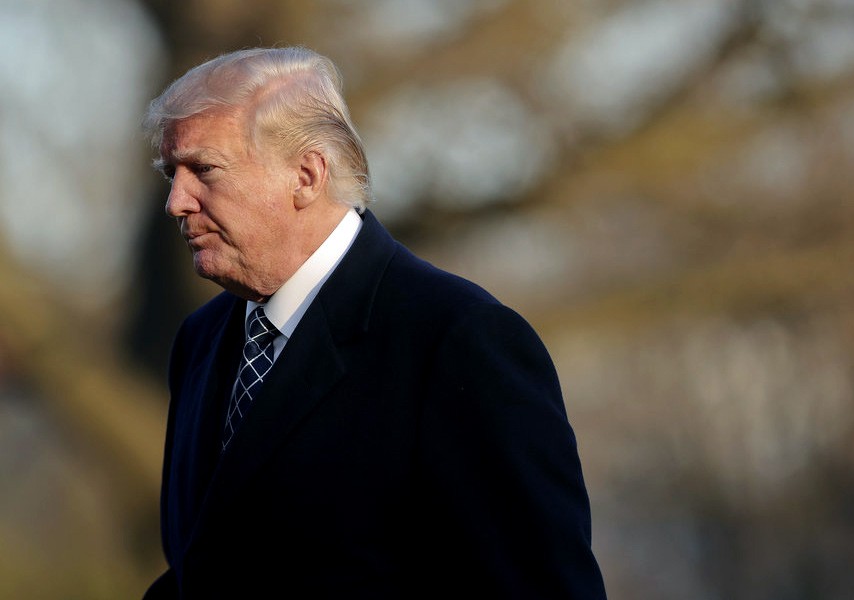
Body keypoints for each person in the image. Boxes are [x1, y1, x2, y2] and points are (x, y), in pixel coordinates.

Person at [141, 46, 606, 599]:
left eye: (204, 169)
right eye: (172, 172)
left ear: (307, 176)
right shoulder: (202, 340)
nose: (176, 201)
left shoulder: (457, 340)